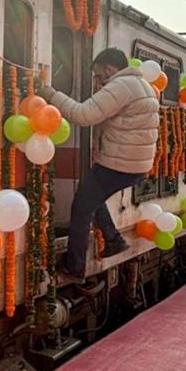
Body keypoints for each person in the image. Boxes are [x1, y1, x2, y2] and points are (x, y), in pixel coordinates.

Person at [40, 47, 159, 279]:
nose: (97, 80)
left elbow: (84, 115)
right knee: (91, 195)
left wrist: (50, 94)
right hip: (135, 164)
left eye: (97, 75)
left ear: (109, 69)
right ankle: (114, 239)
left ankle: (75, 266)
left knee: (81, 206)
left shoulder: (120, 86)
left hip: (119, 163)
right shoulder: (142, 84)